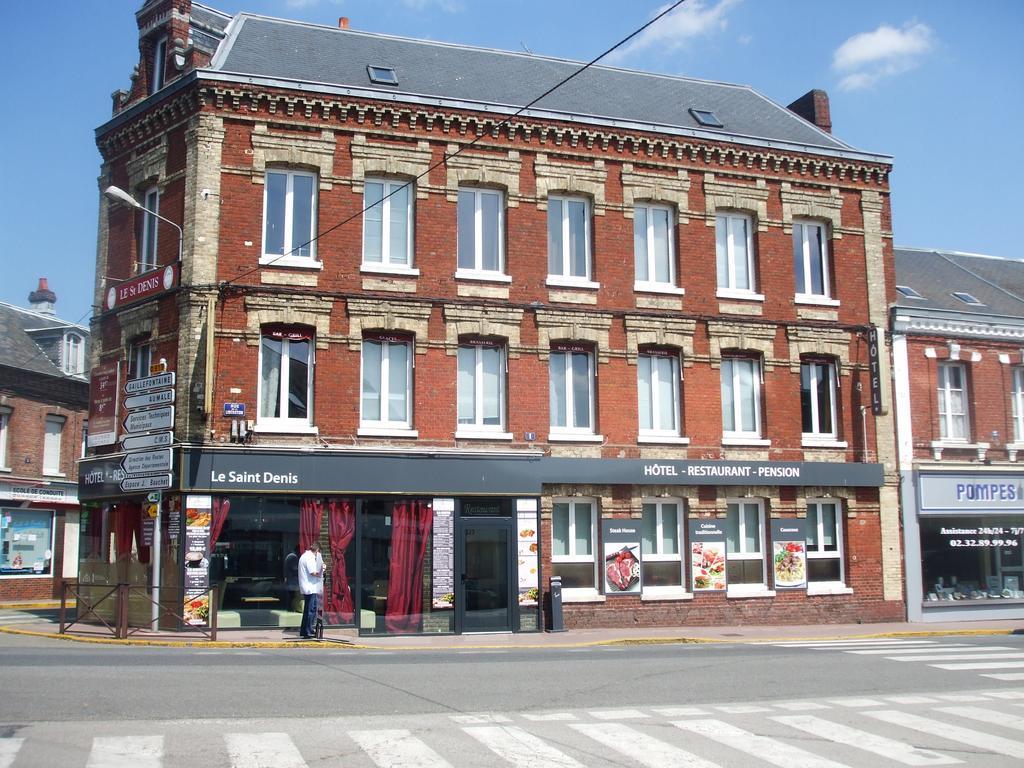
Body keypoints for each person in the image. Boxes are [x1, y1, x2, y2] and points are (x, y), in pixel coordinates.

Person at [297, 541, 324, 638]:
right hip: (310, 587)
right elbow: (313, 572)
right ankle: (307, 630)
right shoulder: (310, 557)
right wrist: (322, 570)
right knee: (311, 610)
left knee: (308, 609)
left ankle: (305, 630)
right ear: (317, 550)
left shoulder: (304, 556)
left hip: (307, 586)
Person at [283, 545, 300, 612]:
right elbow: (295, 568)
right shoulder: (293, 557)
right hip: (292, 579)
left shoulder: (289, 556)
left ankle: (289, 607)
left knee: (291, 594)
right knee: (292, 595)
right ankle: (290, 608)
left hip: (290, 578)